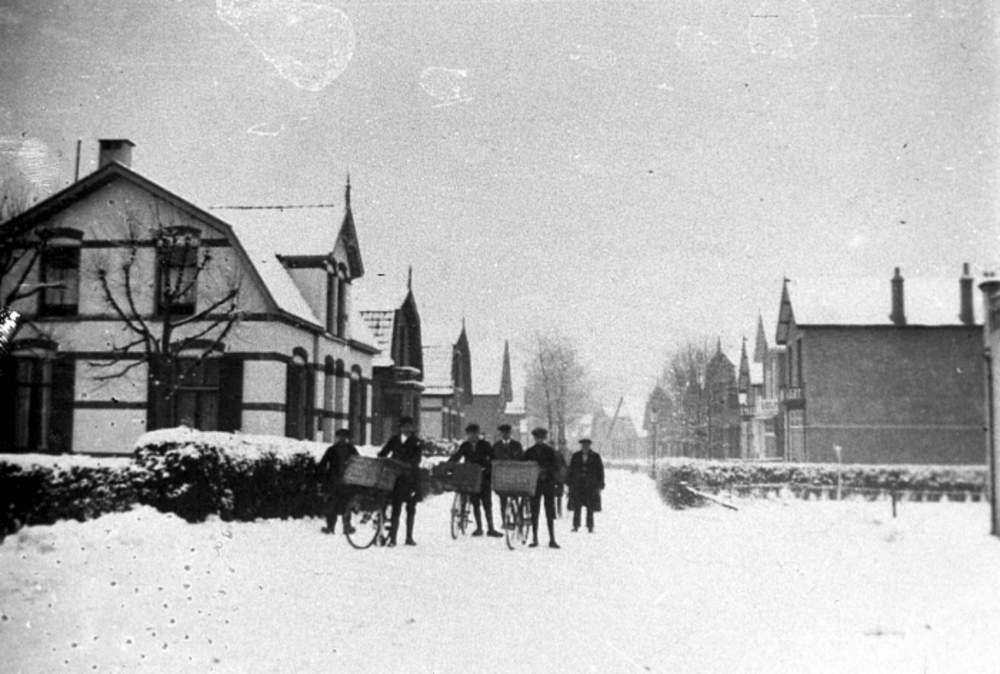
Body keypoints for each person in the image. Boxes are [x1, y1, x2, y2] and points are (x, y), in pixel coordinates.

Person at [447, 423, 502, 537]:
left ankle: (491, 528)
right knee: (475, 502)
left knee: (487, 503)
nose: (472, 436)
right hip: (471, 477)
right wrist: (448, 465)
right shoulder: (465, 445)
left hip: (484, 477)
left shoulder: (485, 445)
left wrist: (487, 467)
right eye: (470, 434)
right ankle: (479, 527)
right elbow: (457, 456)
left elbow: (493, 458)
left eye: (474, 433)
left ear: (478, 434)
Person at [377, 416, 423, 546]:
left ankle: (409, 537)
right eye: (404, 426)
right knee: (396, 507)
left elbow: (417, 459)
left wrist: (407, 464)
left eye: (409, 426)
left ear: (412, 428)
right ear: (400, 428)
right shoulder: (394, 440)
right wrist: (381, 458)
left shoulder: (417, 442)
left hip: (411, 477)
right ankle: (393, 538)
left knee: (411, 507)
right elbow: (384, 452)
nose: (407, 429)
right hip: (396, 477)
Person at [522, 427, 560, 549]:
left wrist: (545, 471)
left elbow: (555, 466)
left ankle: (552, 539)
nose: (539, 440)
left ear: (544, 438)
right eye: (537, 437)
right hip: (534, 484)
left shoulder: (550, 451)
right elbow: (524, 466)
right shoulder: (529, 452)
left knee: (549, 512)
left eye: (541, 437)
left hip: (548, 483)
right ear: (535, 438)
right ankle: (535, 538)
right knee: (534, 512)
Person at [317, 427, 360, 535]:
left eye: (344, 437)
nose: (342, 439)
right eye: (340, 437)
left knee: (342, 505)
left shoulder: (349, 450)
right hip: (337, 482)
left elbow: (358, 464)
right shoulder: (335, 450)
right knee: (338, 505)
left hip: (343, 482)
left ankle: (341, 527)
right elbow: (323, 464)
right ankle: (335, 527)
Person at [567, 438, 605, 533]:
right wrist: (569, 482)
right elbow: (571, 470)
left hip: (590, 486)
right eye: (583, 445)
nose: (585, 447)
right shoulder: (576, 456)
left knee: (590, 507)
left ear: (589, 446)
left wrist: (600, 484)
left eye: (587, 446)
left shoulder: (595, 457)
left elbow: (600, 471)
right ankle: (576, 525)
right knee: (577, 506)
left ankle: (590, 526)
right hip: (578, 485)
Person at [492, 423, 524, 521]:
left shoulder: (517, 445)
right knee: (503, 500)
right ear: (501, 434)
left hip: (514, 476)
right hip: (502, 477)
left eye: (507, 433)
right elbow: (493, 460)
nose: (505, 435)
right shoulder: (496, 446)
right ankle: (504, 520)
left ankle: (517, 517)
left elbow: (521, 459)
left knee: (515, 498)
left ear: (510, 433)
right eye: (503, 433)